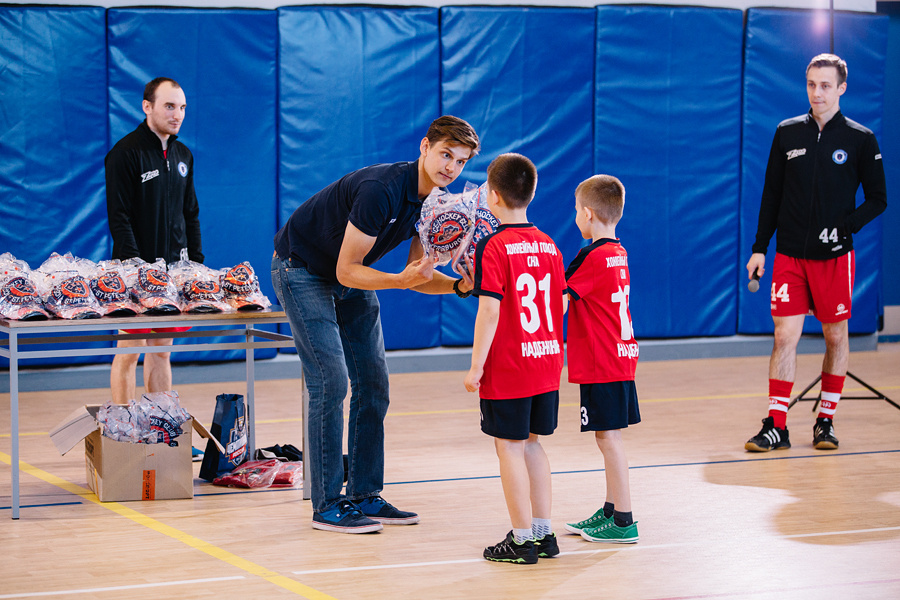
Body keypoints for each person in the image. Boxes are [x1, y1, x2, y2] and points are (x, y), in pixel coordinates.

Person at [272, 115, 480, 533]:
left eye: (460, 162)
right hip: (302, 269)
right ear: (424, 147)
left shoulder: (435, 204)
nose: (450, 168)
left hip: (349, 273)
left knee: (374, 382)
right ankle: (328, 503)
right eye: (445, 155)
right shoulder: (381, 190)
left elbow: (417, 277)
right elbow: (349, 270)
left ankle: (364, 494)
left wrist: (463, 286)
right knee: (331, 381)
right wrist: (399, 281)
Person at [744, 54, 887, 452]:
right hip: (789, 255)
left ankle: (825, 420)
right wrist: (760, 248)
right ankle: (777, 425)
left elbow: (879, 199)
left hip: (834, 259)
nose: (817, 92)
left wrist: (846, 226)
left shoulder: (861, 138)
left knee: (835, 336)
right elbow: (771, 194)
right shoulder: (787, 133)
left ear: (841, 88)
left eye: (825, 85)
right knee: (783, 336)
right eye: (811, 84)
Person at [464, 153, 567, 564]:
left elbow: (489, 311)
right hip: (545, 361)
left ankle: (522, 540)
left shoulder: (494, 244)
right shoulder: (550, 244)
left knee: (508, 447)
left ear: (493, 196)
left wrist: (475, 367)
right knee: (534, 446)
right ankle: (544, 533)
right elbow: (558, 305)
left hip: (509, 366)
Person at [105, 77, 203, 409]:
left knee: (161, 350)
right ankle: (124, 430)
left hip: (173, 273)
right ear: (147, 107)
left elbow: (191, 213)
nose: (177, 114)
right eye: (169, 106)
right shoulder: (125, 153)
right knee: (129, 352)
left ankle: (161, 430)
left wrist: (195, 264)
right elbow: (118, 216)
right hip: (134, 272)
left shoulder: (184, 155)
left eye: (182, 108)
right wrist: (134, 266)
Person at [562, 175, 640, 544]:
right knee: (607, 435)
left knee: (608, 438)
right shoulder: (617, 252)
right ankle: (610, 510)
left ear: (588, 214)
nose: (575, 216)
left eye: (577, 210)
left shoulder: (591, 257)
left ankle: (623, 520)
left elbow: (559, 300)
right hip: (619, 357)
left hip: (603, 361)